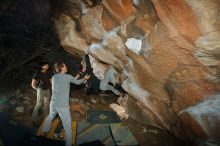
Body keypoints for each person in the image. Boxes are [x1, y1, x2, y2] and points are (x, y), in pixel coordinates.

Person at [42, 62, 90, 146]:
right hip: (62, 105)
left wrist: (80, 73)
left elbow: (72, 79)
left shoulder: (53, 77)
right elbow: (77, 82)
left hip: (53, 103)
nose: (66, 67)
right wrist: (85, 78)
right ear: (62, 68)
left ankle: (45, 132)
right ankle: (68, 144)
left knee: (50, 116)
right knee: (67, 125)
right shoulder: (67, 77)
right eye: (65, 65)